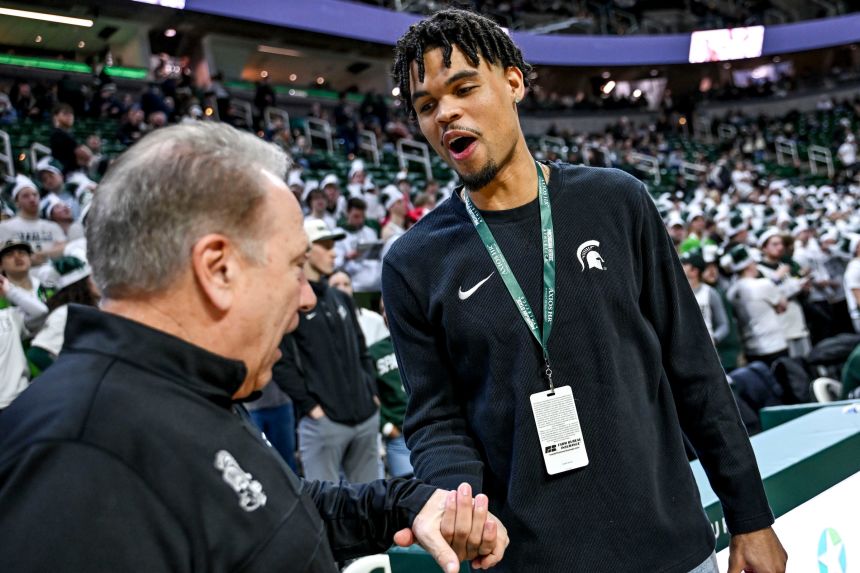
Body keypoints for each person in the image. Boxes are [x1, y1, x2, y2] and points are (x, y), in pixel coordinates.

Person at [0, 122, 508, 573]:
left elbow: (269, 511)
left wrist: (402, 504)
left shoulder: (182, 389)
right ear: (219, 269)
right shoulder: (78, 460)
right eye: (294, 266)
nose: (307, 297)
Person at [383, 9, 785, 573]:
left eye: (464, 88)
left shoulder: (617, 201)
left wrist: (751, 516)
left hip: (671, 549)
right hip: (530, 560)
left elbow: (695, 370)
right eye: (426, 106)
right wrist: (459, 501)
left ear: (514, 81)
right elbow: (435, 419)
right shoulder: (413, 262)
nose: (445, 112)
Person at [279, 219, 380, 484]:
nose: (333, 252)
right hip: (324, 422)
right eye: (325, 245)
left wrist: (371, 393)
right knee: (325, 504)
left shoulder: (342, 298)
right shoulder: (290, 302)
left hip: (365, 416)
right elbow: (281, 363)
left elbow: (362, 351)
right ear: (305, 251)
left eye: (333, 245)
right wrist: (311, 407)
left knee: (373, 501)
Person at [0, 175, 67, 265]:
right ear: (16, 202)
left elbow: (63, 248)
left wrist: (37, 255)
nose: (32, 199)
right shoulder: (5, 227)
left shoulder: (52, 226)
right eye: (25, 196)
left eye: (35, 195)